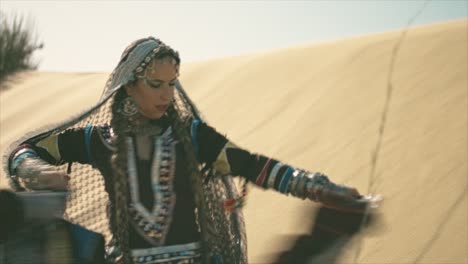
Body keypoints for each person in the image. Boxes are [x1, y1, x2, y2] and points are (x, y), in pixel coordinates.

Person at [3, 37, 380, 264]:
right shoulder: (99, 141)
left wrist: (315, 186)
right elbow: (23, 151)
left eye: (173, 83)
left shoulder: (193, 137)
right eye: (156, 84)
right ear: (128, 86)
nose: (167, 95)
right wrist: (37, 172)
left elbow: (256, 167)